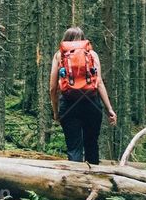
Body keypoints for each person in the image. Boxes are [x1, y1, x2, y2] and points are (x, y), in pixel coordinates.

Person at [49, 26, 116, 165]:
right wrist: (109, 109)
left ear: (65, 40)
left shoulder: (59, 55)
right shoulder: (92, 54)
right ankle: (94, 184)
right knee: (92, 145)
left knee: (74, 148)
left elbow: (53, 88)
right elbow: (99, 83)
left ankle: (75, 183)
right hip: (92, 104)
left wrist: (55, 111)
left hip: (68, 105)